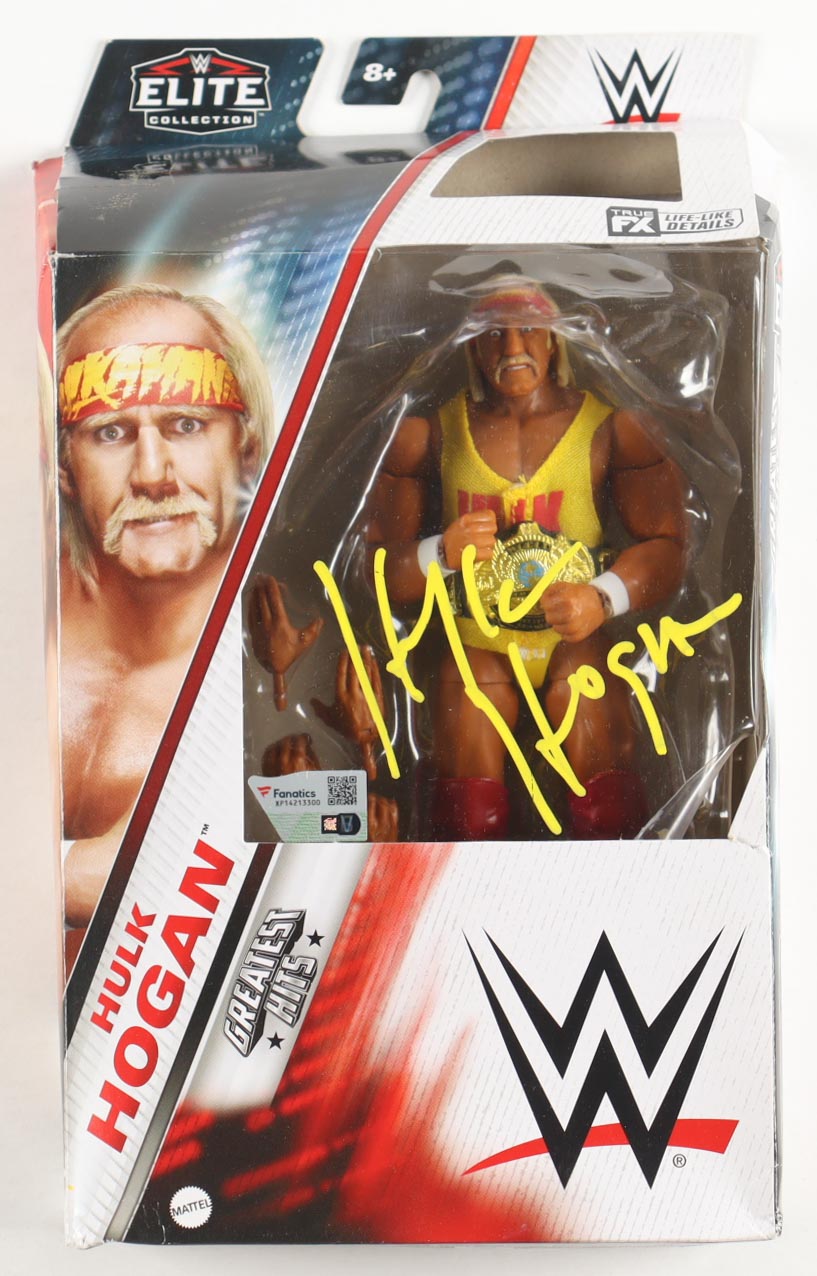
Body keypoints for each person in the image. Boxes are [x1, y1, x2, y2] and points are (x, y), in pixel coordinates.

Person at [365, 276, 686, 840]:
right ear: (473, 347)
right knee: (465, 741)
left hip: (573, 639)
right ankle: (460, 880)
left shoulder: (609, 429)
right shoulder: (430, 435)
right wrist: (440, 552)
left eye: (528, 331)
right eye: (495, 335)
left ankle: (619, 873)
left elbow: (667, 551)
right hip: (477, 640)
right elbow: (379, 574)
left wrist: (604, 597)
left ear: (554, 338)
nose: (512, 348)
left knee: (593, 725)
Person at [57, 283, 274, 929]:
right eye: (111, 432)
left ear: (246, 446)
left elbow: (336, 827)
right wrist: (71, 877)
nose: (152, 475)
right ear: (65, 466)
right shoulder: (20, 619)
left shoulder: (290, 643)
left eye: (186, 425)